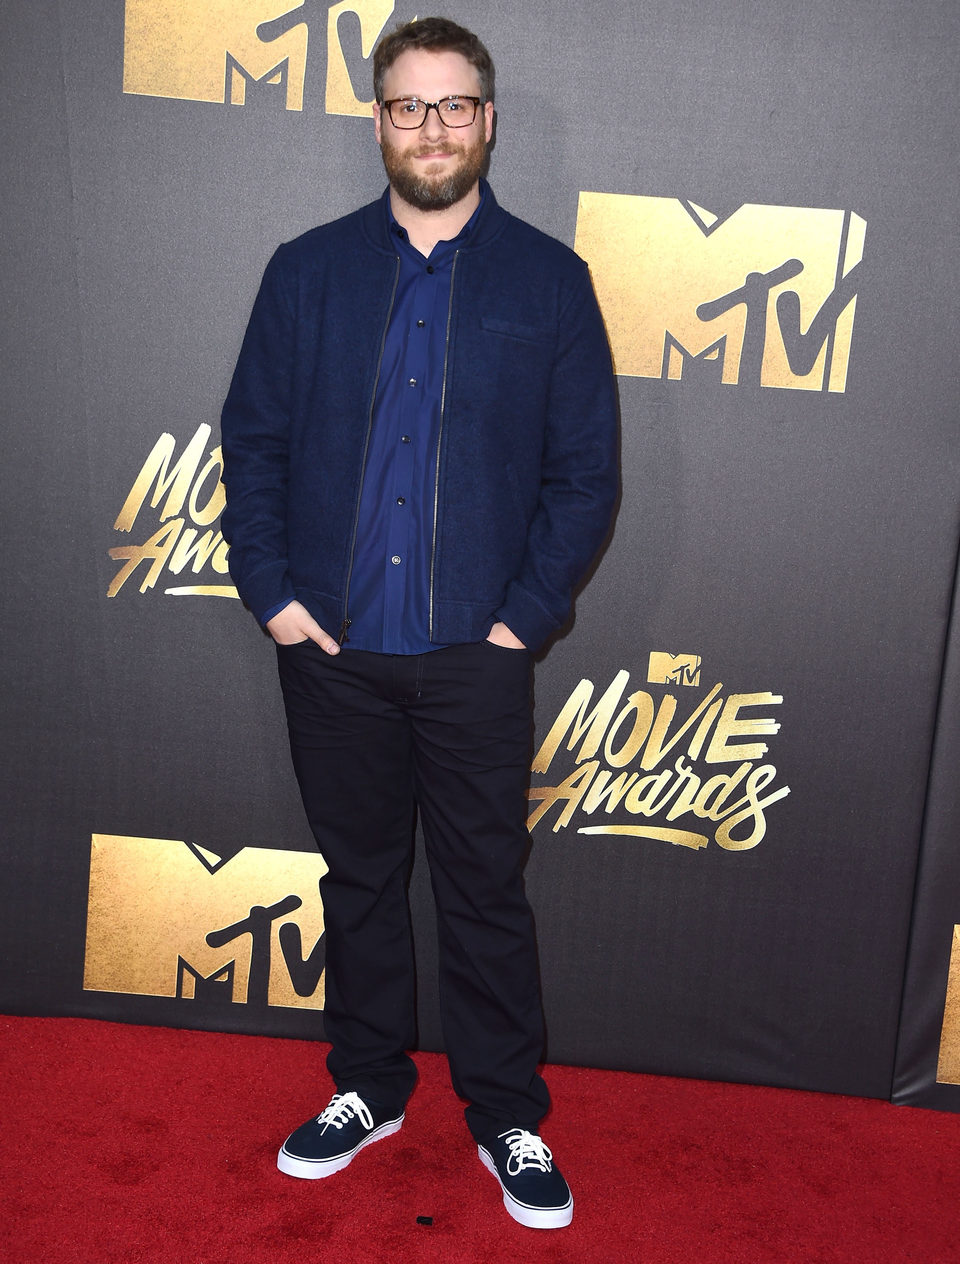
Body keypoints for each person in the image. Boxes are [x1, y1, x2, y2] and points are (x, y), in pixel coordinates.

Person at [220, 16, 618, 1231]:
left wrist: (518, 624)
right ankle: (369, 1087)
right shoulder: (307, 269)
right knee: (361, 881)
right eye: (409, 106)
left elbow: (584, 475)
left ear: (487, 122)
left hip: (473, 658)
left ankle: (503, 1112)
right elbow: (256, 444)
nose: (432, 128)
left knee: (487, 891)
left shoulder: (552, 280)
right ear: (379, 121)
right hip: (331, 652)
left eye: (454, 107)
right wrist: (275, 597)